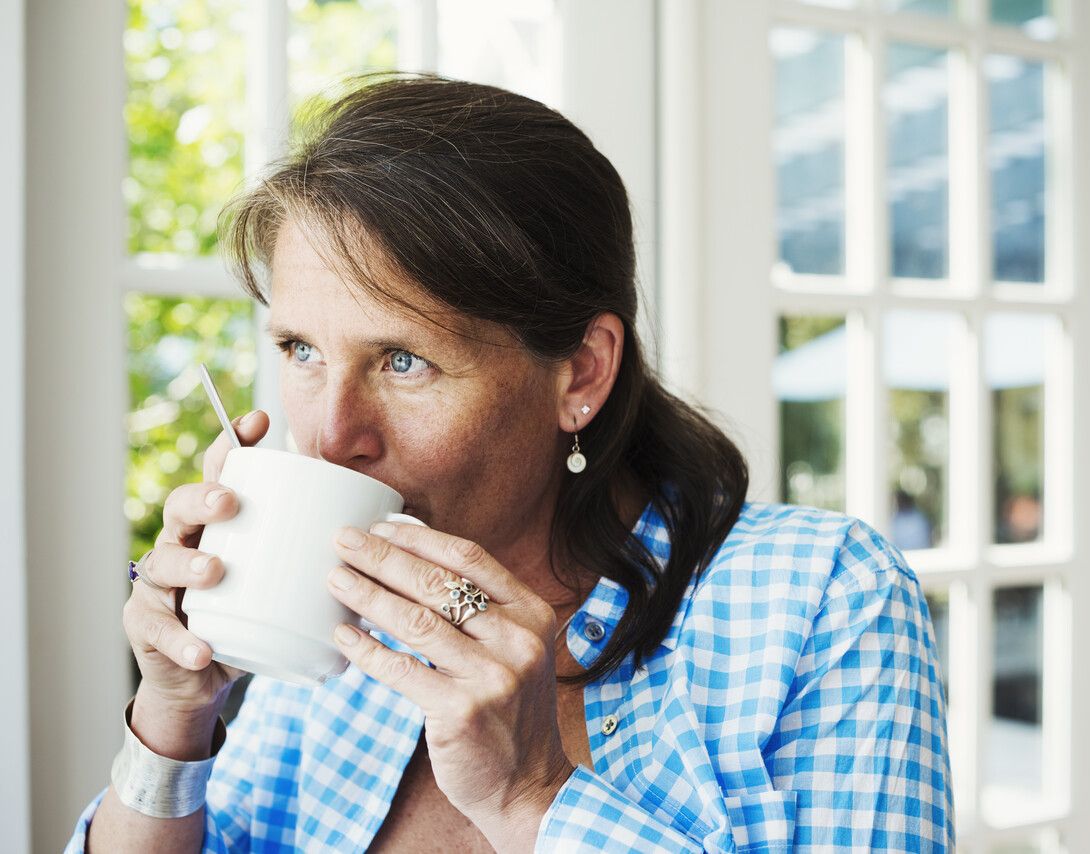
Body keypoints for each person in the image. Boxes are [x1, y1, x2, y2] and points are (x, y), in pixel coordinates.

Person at [68, 74, 953, 853]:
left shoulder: (823, 602)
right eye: (301, 349)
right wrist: (173, 721)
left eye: (403, 361)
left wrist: (531, 797)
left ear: (582, 373)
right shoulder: (330, 627)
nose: (332, 438)